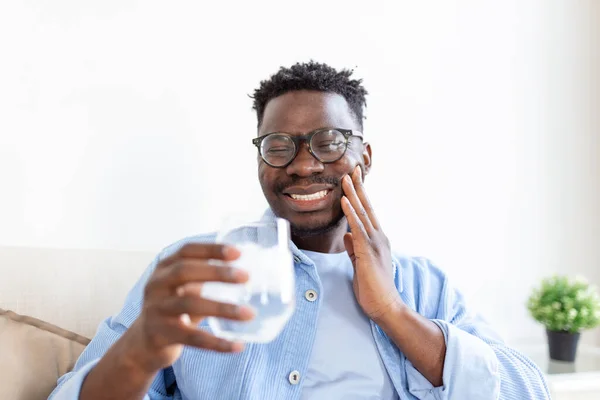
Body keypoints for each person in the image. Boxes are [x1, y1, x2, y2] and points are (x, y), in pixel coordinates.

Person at [49, 61, 550, 400]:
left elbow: (527, 390)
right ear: (260, 160)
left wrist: (392, 312)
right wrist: (140, 349)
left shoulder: (424, 285)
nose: (304, 165)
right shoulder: (195, 269)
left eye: (328, 142)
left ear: (365, 157)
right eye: (279, 145)